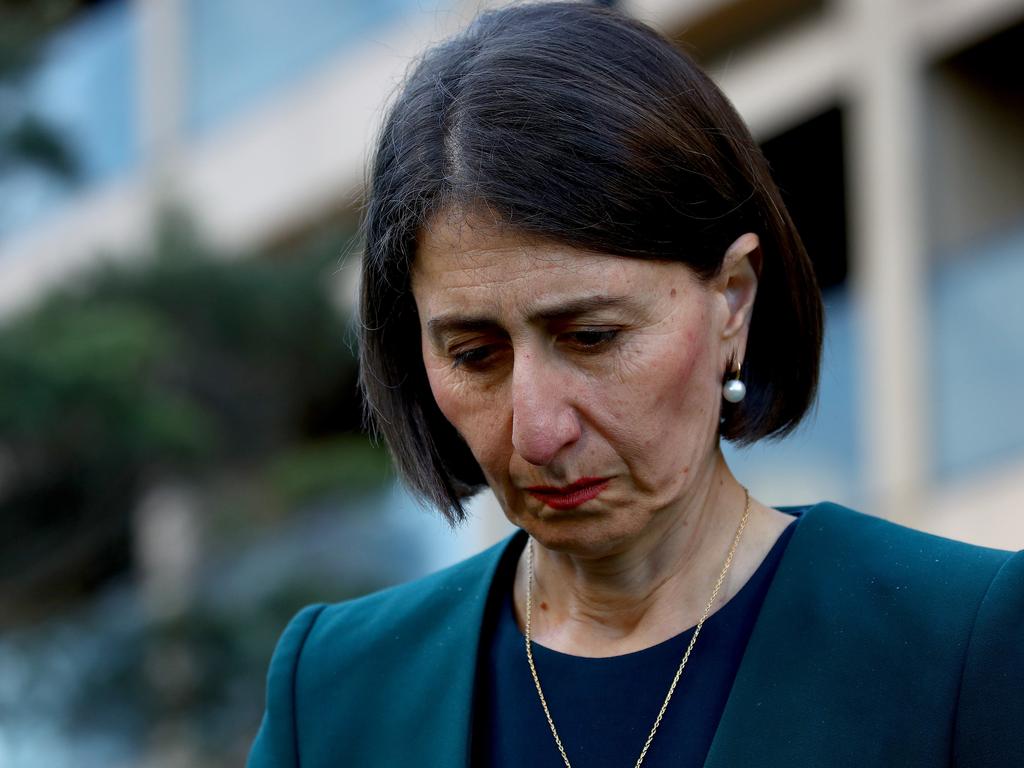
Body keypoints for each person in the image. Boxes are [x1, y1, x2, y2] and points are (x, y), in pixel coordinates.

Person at [247, 3, 1023, 766]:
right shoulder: (335, 690)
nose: (537, 430)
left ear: (732, 299)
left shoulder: (963, 643)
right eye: (475, 355)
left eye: (592, 338)